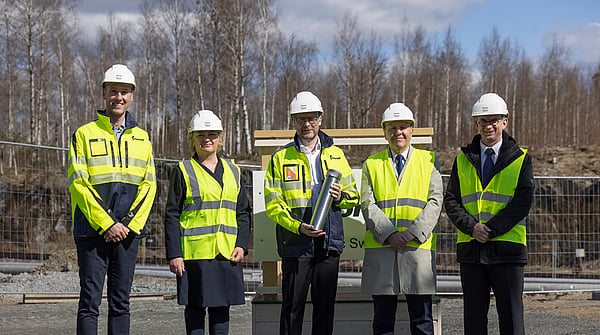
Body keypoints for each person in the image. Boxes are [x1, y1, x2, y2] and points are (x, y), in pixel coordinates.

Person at [68, 64, 157, 334]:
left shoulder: (142, 138)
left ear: (132, 96)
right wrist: (107, 224)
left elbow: (149, 186)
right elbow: (78, 183)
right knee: (89, 302)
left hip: (128, 233)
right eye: (113, 91)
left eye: (124, 92)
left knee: (121, 303)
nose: (119, 97)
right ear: (104, 93)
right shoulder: (84, 134)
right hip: (92, 232)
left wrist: (127, 224)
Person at [264, 91, 359, 335]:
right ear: (292, 121)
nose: (307, 124)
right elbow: (273, 204)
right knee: (292, 308)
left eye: (312, 118)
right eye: (300, 119)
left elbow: (354, 196)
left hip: (329, 243)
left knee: (325, 308)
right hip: (296, 243)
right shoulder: (280, 157)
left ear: (321, 119)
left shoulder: (336, 154)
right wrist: (297, 226)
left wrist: (341, 197)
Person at [444, 93, 534, 335]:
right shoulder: (462, 159)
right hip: (472, 250)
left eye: (494, 120)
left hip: (507, 250)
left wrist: (491, 229)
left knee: (512, 319)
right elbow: (451, 200)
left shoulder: (521, 158)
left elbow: (522, 201)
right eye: (483, 121)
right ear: (476, 124)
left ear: (505, 121)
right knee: (473, 320)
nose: (489, 126)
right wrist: (472, 227)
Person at [164, 110, 250, 335]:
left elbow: (243, 212)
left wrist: (242, 244)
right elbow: (172, 214)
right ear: (192, 139)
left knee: (222, 311)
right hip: (194, 254)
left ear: (220, 138)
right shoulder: (183, 170)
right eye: (201, 134)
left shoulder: (234, 171)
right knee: (195, 310)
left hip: (227, 252)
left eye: (212, 134)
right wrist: (175, 254)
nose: (207, 139)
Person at [360, 103, 443, 335]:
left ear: (412, 130)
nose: (398, 132)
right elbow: (367, 203)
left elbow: (435, 201)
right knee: (383, 322)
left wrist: (411, 233)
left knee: (422, 322)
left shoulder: (429, 161)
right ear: (384, 132)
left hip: (417, 250)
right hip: (383, 250)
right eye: (392, 127)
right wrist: (390, 234)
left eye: (403, 127)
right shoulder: (372, 164)